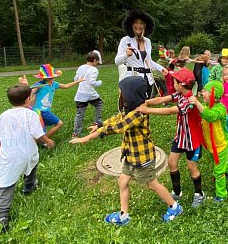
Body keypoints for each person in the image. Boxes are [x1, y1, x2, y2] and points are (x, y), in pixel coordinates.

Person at [70, 76, 183, 225]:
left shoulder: (138, 113)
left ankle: (174, 207)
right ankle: (124, 216)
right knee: (122, 182)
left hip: (142, 157)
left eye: (122, 91)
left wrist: (88, 137)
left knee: (152, 184)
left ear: (131, 94)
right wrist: (100, 124)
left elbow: (120, 126)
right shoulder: (131, 107)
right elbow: (117, 118)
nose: (119, 93)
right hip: (131, 154)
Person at [137, 68, 206, 208]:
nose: (173, 83)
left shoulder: (190, 101)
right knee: (172, 163)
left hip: (192, 140)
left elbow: (170, 110)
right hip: (180, 137)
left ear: (180, 84)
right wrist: (145, 102)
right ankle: (177, 191)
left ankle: (199, 194)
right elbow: (162, 99)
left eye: (174, 81)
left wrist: (147, 110)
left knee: (191, 167)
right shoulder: (179, 94)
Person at [0, 84, 55, 232]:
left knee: (6, 183)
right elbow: (38, 134)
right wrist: (48, 141)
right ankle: (28, 188)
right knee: (31, 168)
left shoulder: (4, 115)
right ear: (28, 99)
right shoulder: (31, 114)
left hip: (9, 156)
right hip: (27, 153)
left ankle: (2, 216)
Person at [188, 80, 228, 202]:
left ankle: (221, 194)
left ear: (213, 94)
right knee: (221, 164)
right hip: (212, 145)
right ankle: (227, 168)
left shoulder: (221, 108)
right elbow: (203, 114)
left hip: (221, 145)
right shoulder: (207, 106)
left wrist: (197, 103)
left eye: (205, 91)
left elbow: (210, 116)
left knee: (218, 172)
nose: (202, 93)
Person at [19, 64, 83, 138]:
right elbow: (29, 94)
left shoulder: (54, 84)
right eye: (49, 77)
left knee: (42, 127)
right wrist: (25, 86)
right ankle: (44, 139)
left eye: (52, 76)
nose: (51, 78)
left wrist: (78, 81)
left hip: (45, 110)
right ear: (43, 77)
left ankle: (40, 139)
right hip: (40, 111)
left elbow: (66, 86)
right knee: (59, 123)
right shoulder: (39, 85)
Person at [115, 10, 167, 96]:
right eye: (135, 22)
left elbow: (148, 61)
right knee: (134, 104)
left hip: (148, 80)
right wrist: (126, 55)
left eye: (141, 23)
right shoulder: (125, 40)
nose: (138, 26)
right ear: (131, 24)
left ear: (145, 25)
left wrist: (161, 68)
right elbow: (117, 61)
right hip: (133, 79)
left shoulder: (147, 41)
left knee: (146, 103)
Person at [72, 51, 103, 138]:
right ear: (94, 60)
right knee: (99, 104)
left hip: (80, 95)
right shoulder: (94, 70)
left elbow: (76, 79)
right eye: (97, 62)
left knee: (79, 114)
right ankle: (97, 123)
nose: (97, 64)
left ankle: (76, 133)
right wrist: (99, 82)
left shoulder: (80, 67)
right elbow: (92, 82)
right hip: (90, 94)